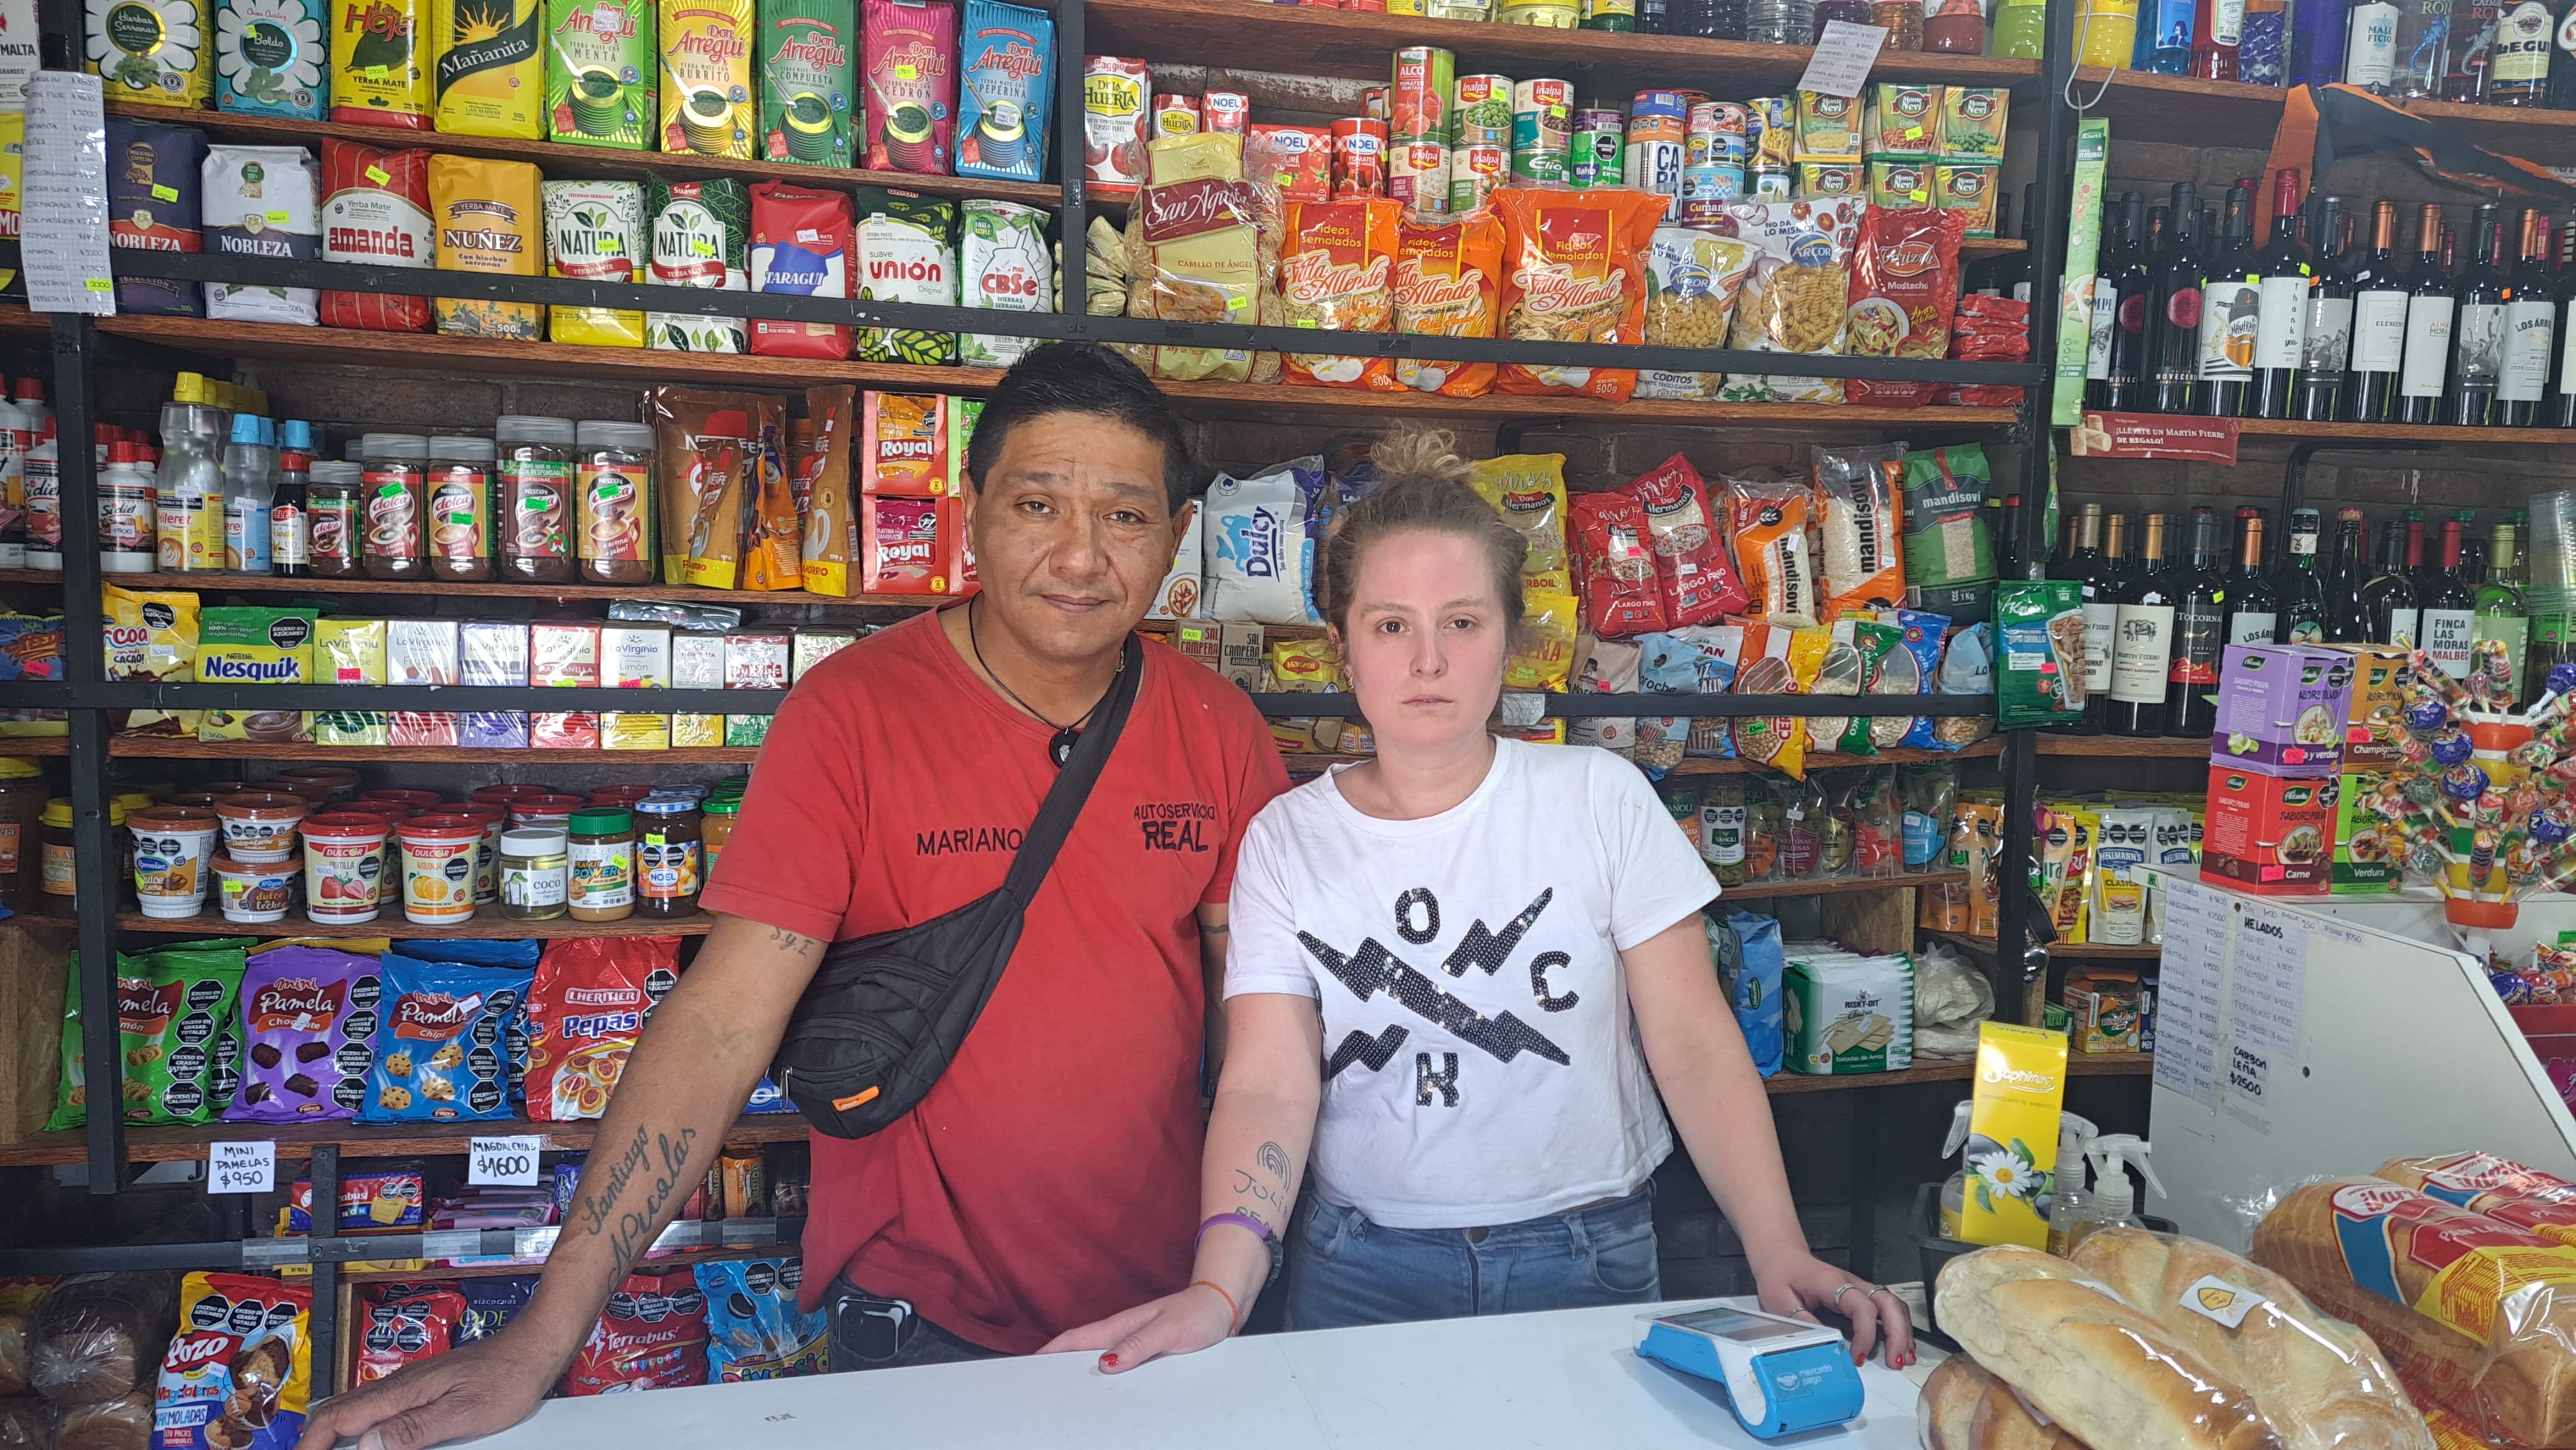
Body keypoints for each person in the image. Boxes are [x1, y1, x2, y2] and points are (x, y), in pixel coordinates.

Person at [297, 344, 1288, 1450]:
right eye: (1037, 503)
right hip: (917, 1325)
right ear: (972, 514)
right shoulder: (851, 717)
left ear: (1175, 534)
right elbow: (725, 1018)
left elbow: (1260, 1041)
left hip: (1162, 1316)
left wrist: (1237, 1273)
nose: (1079, 555)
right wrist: (544, 1332)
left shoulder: (1218, 732)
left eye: (1126, 517)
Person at [1046, 432, 1917, 1372]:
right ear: (1341, 647)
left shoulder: (1600, 798)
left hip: (1590, 1257)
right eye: (1390, 625)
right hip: (1358, 1268)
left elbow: (1696, 1046)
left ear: (1514, 636)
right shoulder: (1287, 839)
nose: (1428, 659)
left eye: (1462, 622)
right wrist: (1221, 1287)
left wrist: (1775, 1246)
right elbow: (1267, 1082)